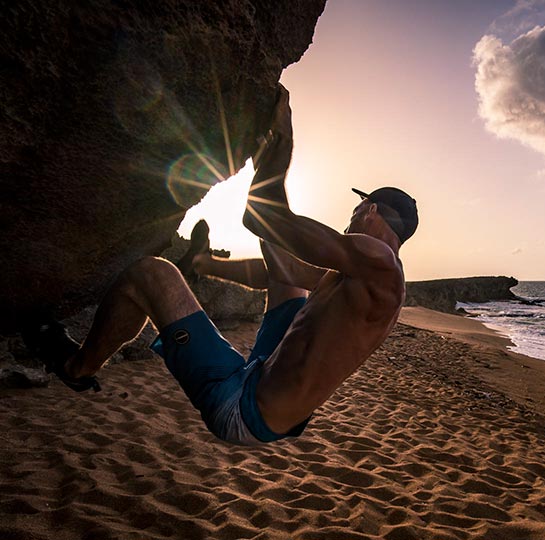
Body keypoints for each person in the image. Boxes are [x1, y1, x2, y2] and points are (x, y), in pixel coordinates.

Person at [24, 85, 419, 445]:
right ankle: (200, 261)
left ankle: (77, 366)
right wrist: (209, 265)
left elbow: (263, 218)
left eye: (356, 207)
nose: (350, 215)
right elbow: (278, 274)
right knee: (285, 271)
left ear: (368, 209)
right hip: (270, 379)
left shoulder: (378, 261)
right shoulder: (369, 278)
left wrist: (280, 141)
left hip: (244, 407)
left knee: (150, 274)